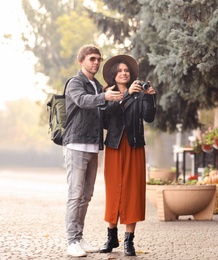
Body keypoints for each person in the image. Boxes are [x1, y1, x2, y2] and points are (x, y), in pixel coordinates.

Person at [62, 45, 123, 257]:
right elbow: (82, 101)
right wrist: (104, 98)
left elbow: (102, 117)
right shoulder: (75, 82)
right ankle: (71, 241)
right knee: (75, 194)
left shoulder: (97, 85)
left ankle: (79, 238)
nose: (96, 62)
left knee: (86, 195)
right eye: (92, 59)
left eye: (98, 59)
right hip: (76, 144)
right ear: (82, 61)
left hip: (93, 146)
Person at [99, 54, 156, 256]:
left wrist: (150, 96)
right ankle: (111, 236)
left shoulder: (139, 94)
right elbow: (106, 118)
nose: (124, 73)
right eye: (120, 70)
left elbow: (149, 117)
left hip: (134, 146)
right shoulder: (107, 93)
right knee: (114, 190)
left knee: (132, 191)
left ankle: (129, 241)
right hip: (114, 146)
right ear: (114, 75)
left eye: (127, 71)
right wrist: (125, 96)